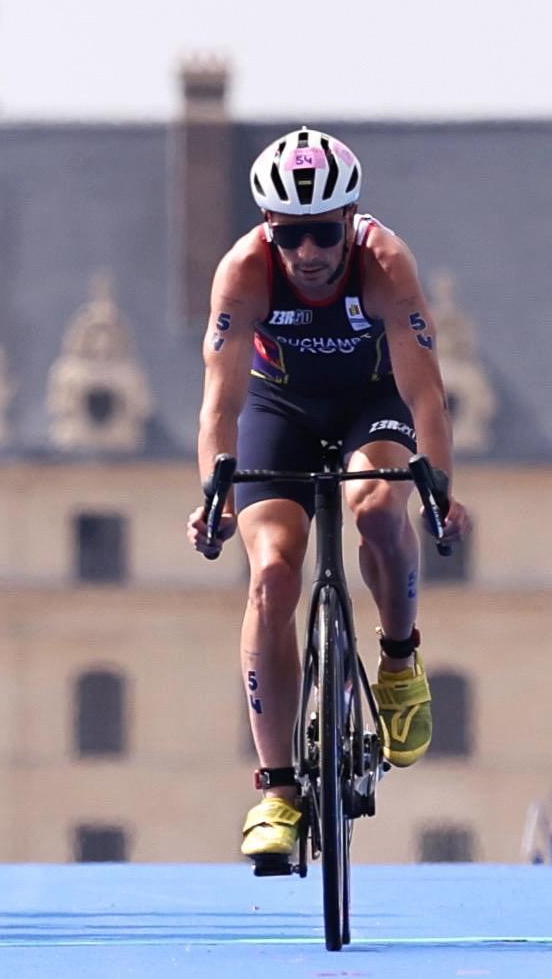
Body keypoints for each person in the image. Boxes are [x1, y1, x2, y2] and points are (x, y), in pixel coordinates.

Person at [185, 127, 465, 873]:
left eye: (322, 231)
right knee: (273, 572)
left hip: (371, 403)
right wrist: (214, 484)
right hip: (276, 408)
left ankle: (399, 657)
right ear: (268, 228)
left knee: (378, 507)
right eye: (291, 234)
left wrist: (437, 482)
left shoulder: (384, 263)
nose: (308, 252)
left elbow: (424, 389)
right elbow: (220, 400)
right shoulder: (244, 270)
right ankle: (277, 790)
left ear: (349, 219)